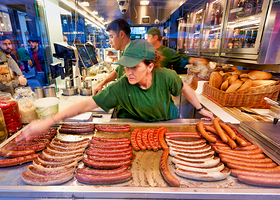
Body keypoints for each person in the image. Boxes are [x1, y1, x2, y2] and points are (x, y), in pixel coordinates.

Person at [16, 39, 214, 142]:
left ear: (150, 66)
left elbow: (185, 87)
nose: (128, 72)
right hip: (139, 131)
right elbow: (86, 105)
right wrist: (49, 121)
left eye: (134, 67)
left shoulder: (166, 77)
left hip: (168, 127)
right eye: (125, 67)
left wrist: (200, 108)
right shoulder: (121, 86)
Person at [93, 18, 131, 95]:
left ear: (121, 34)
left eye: (111, 36)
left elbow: (124, 80)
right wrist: (102, 83)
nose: (110, 41)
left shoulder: (132, 54)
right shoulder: (126, 52)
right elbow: (117, 72)